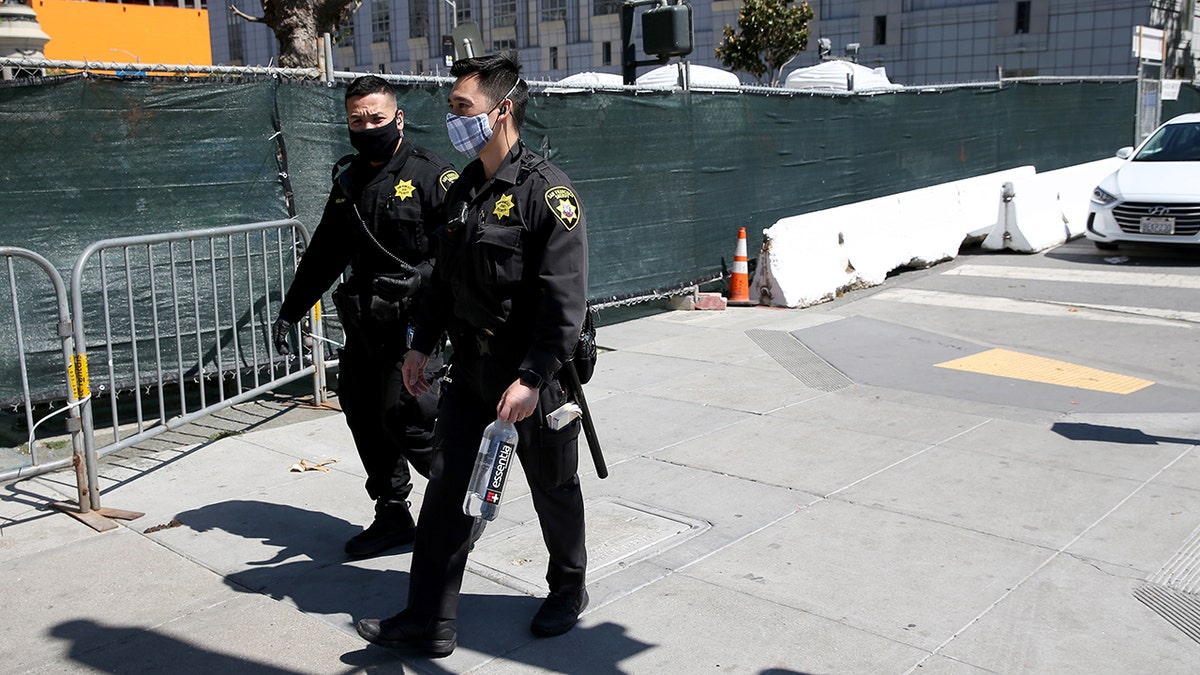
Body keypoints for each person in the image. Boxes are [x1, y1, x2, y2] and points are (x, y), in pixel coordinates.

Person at [356, 51, 590, 657]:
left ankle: (568, 588)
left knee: (552, 487)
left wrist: (534, 378)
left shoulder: (546, 191)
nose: (454, 118)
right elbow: (441, 281)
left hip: (533, 379)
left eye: (464, 107)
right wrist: (420, 346)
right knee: (446, 489)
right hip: (472, 374)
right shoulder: (463, 189)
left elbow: (565, 301)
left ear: (503, 110)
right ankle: (430, 619)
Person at [271, 75, 457, 558]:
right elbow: (325, 254)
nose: (367, 126)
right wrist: (291, 311)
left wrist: (424, 275)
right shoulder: (349, 180)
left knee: (408, 415)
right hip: (365, 326)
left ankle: (458, 504)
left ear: (398, 118)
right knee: (362, 410)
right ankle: (392, 512)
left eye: (376, 118)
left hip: (417, 326)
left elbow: (461, 251)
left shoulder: (432, 175)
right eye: (357, 120)